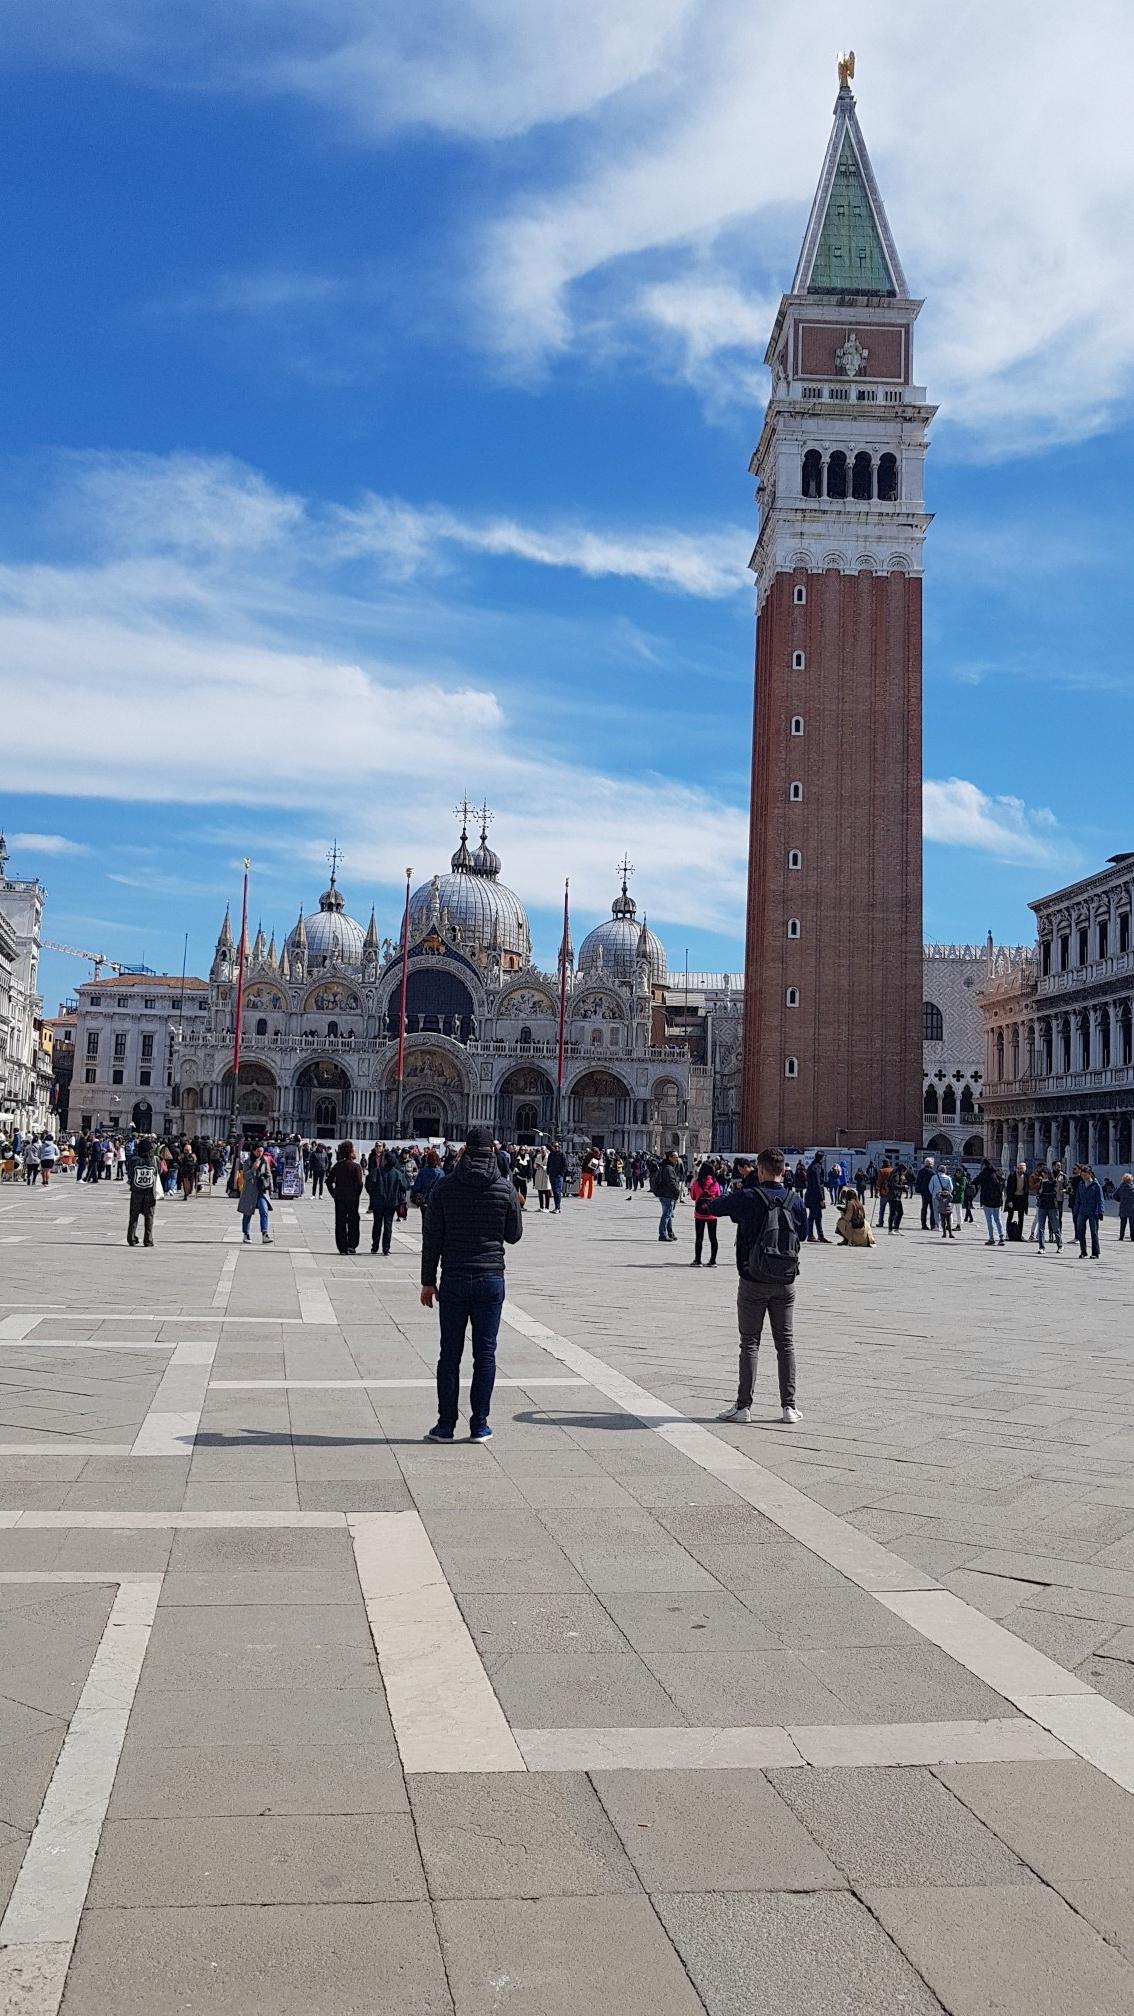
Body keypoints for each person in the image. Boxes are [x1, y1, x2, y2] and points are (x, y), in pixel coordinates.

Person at [420, 1123, 523, 1444]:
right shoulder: (505, 1189)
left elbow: (431, 1238)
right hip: (491, 1279)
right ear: (492, 1152)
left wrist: (427, 1282)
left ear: (465, 1150)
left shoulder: (445, 1187)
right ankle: (479, 1425)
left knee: (449, 1354)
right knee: (486, 1354)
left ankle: (445, 1426)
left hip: (453, 1279)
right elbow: (514, 1236)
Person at [702, 1147, 805, 1425]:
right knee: (785, 1343)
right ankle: (789, 1407)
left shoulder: (748, 1196)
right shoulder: (795, 1200)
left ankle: (744, 1407)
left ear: (759, 1170)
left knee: (749, 1343)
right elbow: (802, 1234)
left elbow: (712, 1206)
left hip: (752, 1279)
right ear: (784, 1171)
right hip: (785, 1281)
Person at [367, 1148, 410, 1256]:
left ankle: (375, 1246)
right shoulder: (397, 1173)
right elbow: (405, 1186)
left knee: (377, 1224)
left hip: (378, 1202)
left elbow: (369, 1184)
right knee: (388, 1225)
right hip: (392, 1202)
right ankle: (386, 1248)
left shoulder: (377, 1171)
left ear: (385, 1160)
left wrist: (373, 1194)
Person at [326, 1140, 362, 1254]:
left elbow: (328, 1181)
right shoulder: (356, 1167)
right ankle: (352, 1245)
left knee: (340, 1222)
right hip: (352, 1199)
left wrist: (334, 1194)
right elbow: (359, 1184)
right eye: (353, 1150)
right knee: (353, 1221)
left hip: (340, 1199)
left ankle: (342, 1246)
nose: (355, 1152)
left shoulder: (338, 1166)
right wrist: (356, 1195)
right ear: (350, 1152)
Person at [125, 1135, 160, 1247]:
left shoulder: (133, 1161)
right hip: (150, 1192)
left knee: (133, 1217)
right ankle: (148, 1239)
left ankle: (131, 1238)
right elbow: (160, 1172)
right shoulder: (155, 1160)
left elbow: (130, 1174)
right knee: (149, 1217)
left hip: (136, 1192)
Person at [238, 1144, 274, 1245]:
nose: (260, 1153)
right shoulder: (247, 1162)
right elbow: (245, 1176)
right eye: (258, 1151)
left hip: (261, 1190)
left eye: (262, 1151)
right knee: (247, 1213)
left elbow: (269, 1174)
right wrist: (253, 1168)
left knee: (264, 1211)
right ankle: (246, 1233)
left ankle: (265, 1234)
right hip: (250, 1191)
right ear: (253, 1151)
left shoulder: (264, 1161)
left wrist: (271, 1188)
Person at [688, 1160, 721, 1266]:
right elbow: (719, 1197)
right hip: (712, 1214)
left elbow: (693, 1197)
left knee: (699, 1237)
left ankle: (698, 1260)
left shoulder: (697, 1183)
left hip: (699, 1214)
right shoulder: (715, 1183)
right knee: (713, 1238)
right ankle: (713, 1260)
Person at [1074, 1166, 1103, 1260]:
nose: (1083, 1177)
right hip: (1082, 1211)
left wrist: (1100, 1211)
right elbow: (1078, 1199)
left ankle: (1095, 1252)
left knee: (1094, 1232)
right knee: (1080, 1231)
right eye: (1082, 1175)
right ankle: (1083, 1251)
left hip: (1093, 1211)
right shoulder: (1081, 1184)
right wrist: (1076, 1210)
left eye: (1085, 1175)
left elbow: (1100, 1199)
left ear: (1090, 1174)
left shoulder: (1096, 1185)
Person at [653, 1149, 682, 1243]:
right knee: (666, 1215)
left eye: (677, 1157)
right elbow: (671, 1182)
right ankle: (662, 1234)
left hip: (666, 1193)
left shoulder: (666, 1166)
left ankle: (670, 1233)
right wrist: (677, 1191)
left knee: (669, 1214)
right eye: (675, 1157)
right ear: (670, 1158)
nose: (677, 1159)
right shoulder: (668, 1168)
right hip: (667, 1194)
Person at [1035, 1164, 1064, 1254]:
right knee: (1041, 1227)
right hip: (1042, 1205)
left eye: (1045, 1173)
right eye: (1042, 1173)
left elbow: (1054, 1192)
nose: (1043, 1175)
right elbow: (1038, 1193)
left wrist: (1043, 1191)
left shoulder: (1053, 1182)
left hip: (1052, 1206)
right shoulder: (1041, 1182)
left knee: (1055, 1227)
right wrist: (1041, 1191)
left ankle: (1060, 1245)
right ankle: (1041, 1247)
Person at [975, 1159, 1006, 1245]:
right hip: (997, 1201)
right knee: (998, 1219)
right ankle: (1001, 1237)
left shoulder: (984, 1174)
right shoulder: (995, 1174)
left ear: (984, 1165)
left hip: (987, 1200)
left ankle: (991, 1238)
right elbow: (1003, 1182)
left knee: (989, 1220)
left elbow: (975, 1181)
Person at [804, 1154, 828, 1243]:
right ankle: (810, 1235)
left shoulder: (813, 1166)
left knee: (818, 1216)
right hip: (815, 1196)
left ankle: (820, 1235)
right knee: (812, 1216)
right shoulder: (816, 1167)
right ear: (820, 1158)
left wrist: (827, 1184)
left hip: (812, 1194)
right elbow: (817, 1183)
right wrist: (821, 1197)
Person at [1004, 1161, 1030, 1242]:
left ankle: (1019, 1235)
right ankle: (1008, 1234)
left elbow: (1027, 1188)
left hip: (1022, 1198)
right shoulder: (1012, 1176)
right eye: (1019, 1168)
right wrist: (1009, 1201)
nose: (1021, 1170)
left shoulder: (1026, 1176)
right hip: (1013, 1198)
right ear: (1017, 1168)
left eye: (1022, 1169)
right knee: (1010, 1216)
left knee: (1021, 1217)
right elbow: (1008, 1189)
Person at [915, 1157, 936, 1231]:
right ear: (930, 1164)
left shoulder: (921, 1171)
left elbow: (917, 1181)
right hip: (931, 1193)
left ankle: (923, 1224)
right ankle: (933, 1225)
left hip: (923, 1193)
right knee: (932, 1209)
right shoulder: (932, 1173)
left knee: (924, 1208)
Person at [547, 1141, 567, 1213]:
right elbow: (548, 1163)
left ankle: (558, 1208)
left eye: (557, 1146)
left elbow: (565, 1165)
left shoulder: (562, 1154)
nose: (556, 1147)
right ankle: (556, 1207)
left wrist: (561, 1173)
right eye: (554, 1146)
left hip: (558, 1176)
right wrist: (548, 1172)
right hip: (552, 1175)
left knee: (558, 1191)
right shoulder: (551, 1155)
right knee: (554, 1191)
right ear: (552, 1147)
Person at [935, 1169, 956, 1239]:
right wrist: (939, 1192)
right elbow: (936, 1197)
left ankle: (950, 1233)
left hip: (948, 1211)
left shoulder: (948, 1197)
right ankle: (944, 1233)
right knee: (943, 1223)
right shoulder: (940, 1197)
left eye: (945, 1192)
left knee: (949, 1223)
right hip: (941, 1211)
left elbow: (951, 1198)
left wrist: (949, 1193)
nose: (944, 1193)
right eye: (944, 1192)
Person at [533, 1147, 552, 1212]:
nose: (543, 1151)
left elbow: (550, 1166)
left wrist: (542, 1166)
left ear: (546, 1150)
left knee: (546, 1192)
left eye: (544, 1150)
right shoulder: (538, 1156)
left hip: (546, 1175)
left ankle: (547, 1207)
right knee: (540, 1192)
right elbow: (534, 1165)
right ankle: (541, 1207)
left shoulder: (549, 1157)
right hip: (539, 1174)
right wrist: (536, 1166)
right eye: (541, 1150)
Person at [1118, 1172, 1134, 1242]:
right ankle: (1133, 1237)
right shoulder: (1133, 1188)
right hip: (1132, 1208)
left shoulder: (1120, 1187)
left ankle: (1121, 1236)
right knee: (1132, 1224)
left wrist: (1120, 1200)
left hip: (1123, 1207)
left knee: (1123, 1223)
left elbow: (1114, 1195)